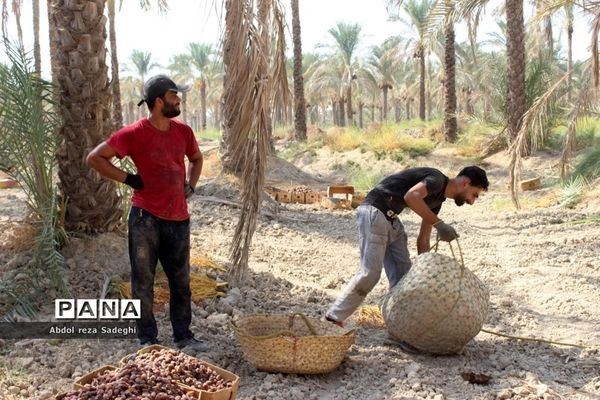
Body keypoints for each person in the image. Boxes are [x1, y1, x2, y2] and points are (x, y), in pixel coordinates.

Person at [87, 74, 206, 351]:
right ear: (158, 101)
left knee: (181, 282)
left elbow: (197, 159)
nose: (179, 100)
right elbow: (95, 158)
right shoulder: (134, 133)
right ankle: (148, 340)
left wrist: (191, 185)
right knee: (143, 282)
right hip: (145, 219)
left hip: (178, 219)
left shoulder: (184, 132)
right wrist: (129, 178)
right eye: (174, 95)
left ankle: (183, 336)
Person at [323, 166, 489, 326]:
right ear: (465, 183)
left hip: (391, 219)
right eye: (474, 194)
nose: (472, 201)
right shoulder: (437, 180)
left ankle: (398, 323)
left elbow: (423, 239)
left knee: (404, 278)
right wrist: (439, 224)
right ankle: (332, 318)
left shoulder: (437, 202)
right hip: (374, 211)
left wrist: (425, 269)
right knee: (370, 274)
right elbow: (411, 196)